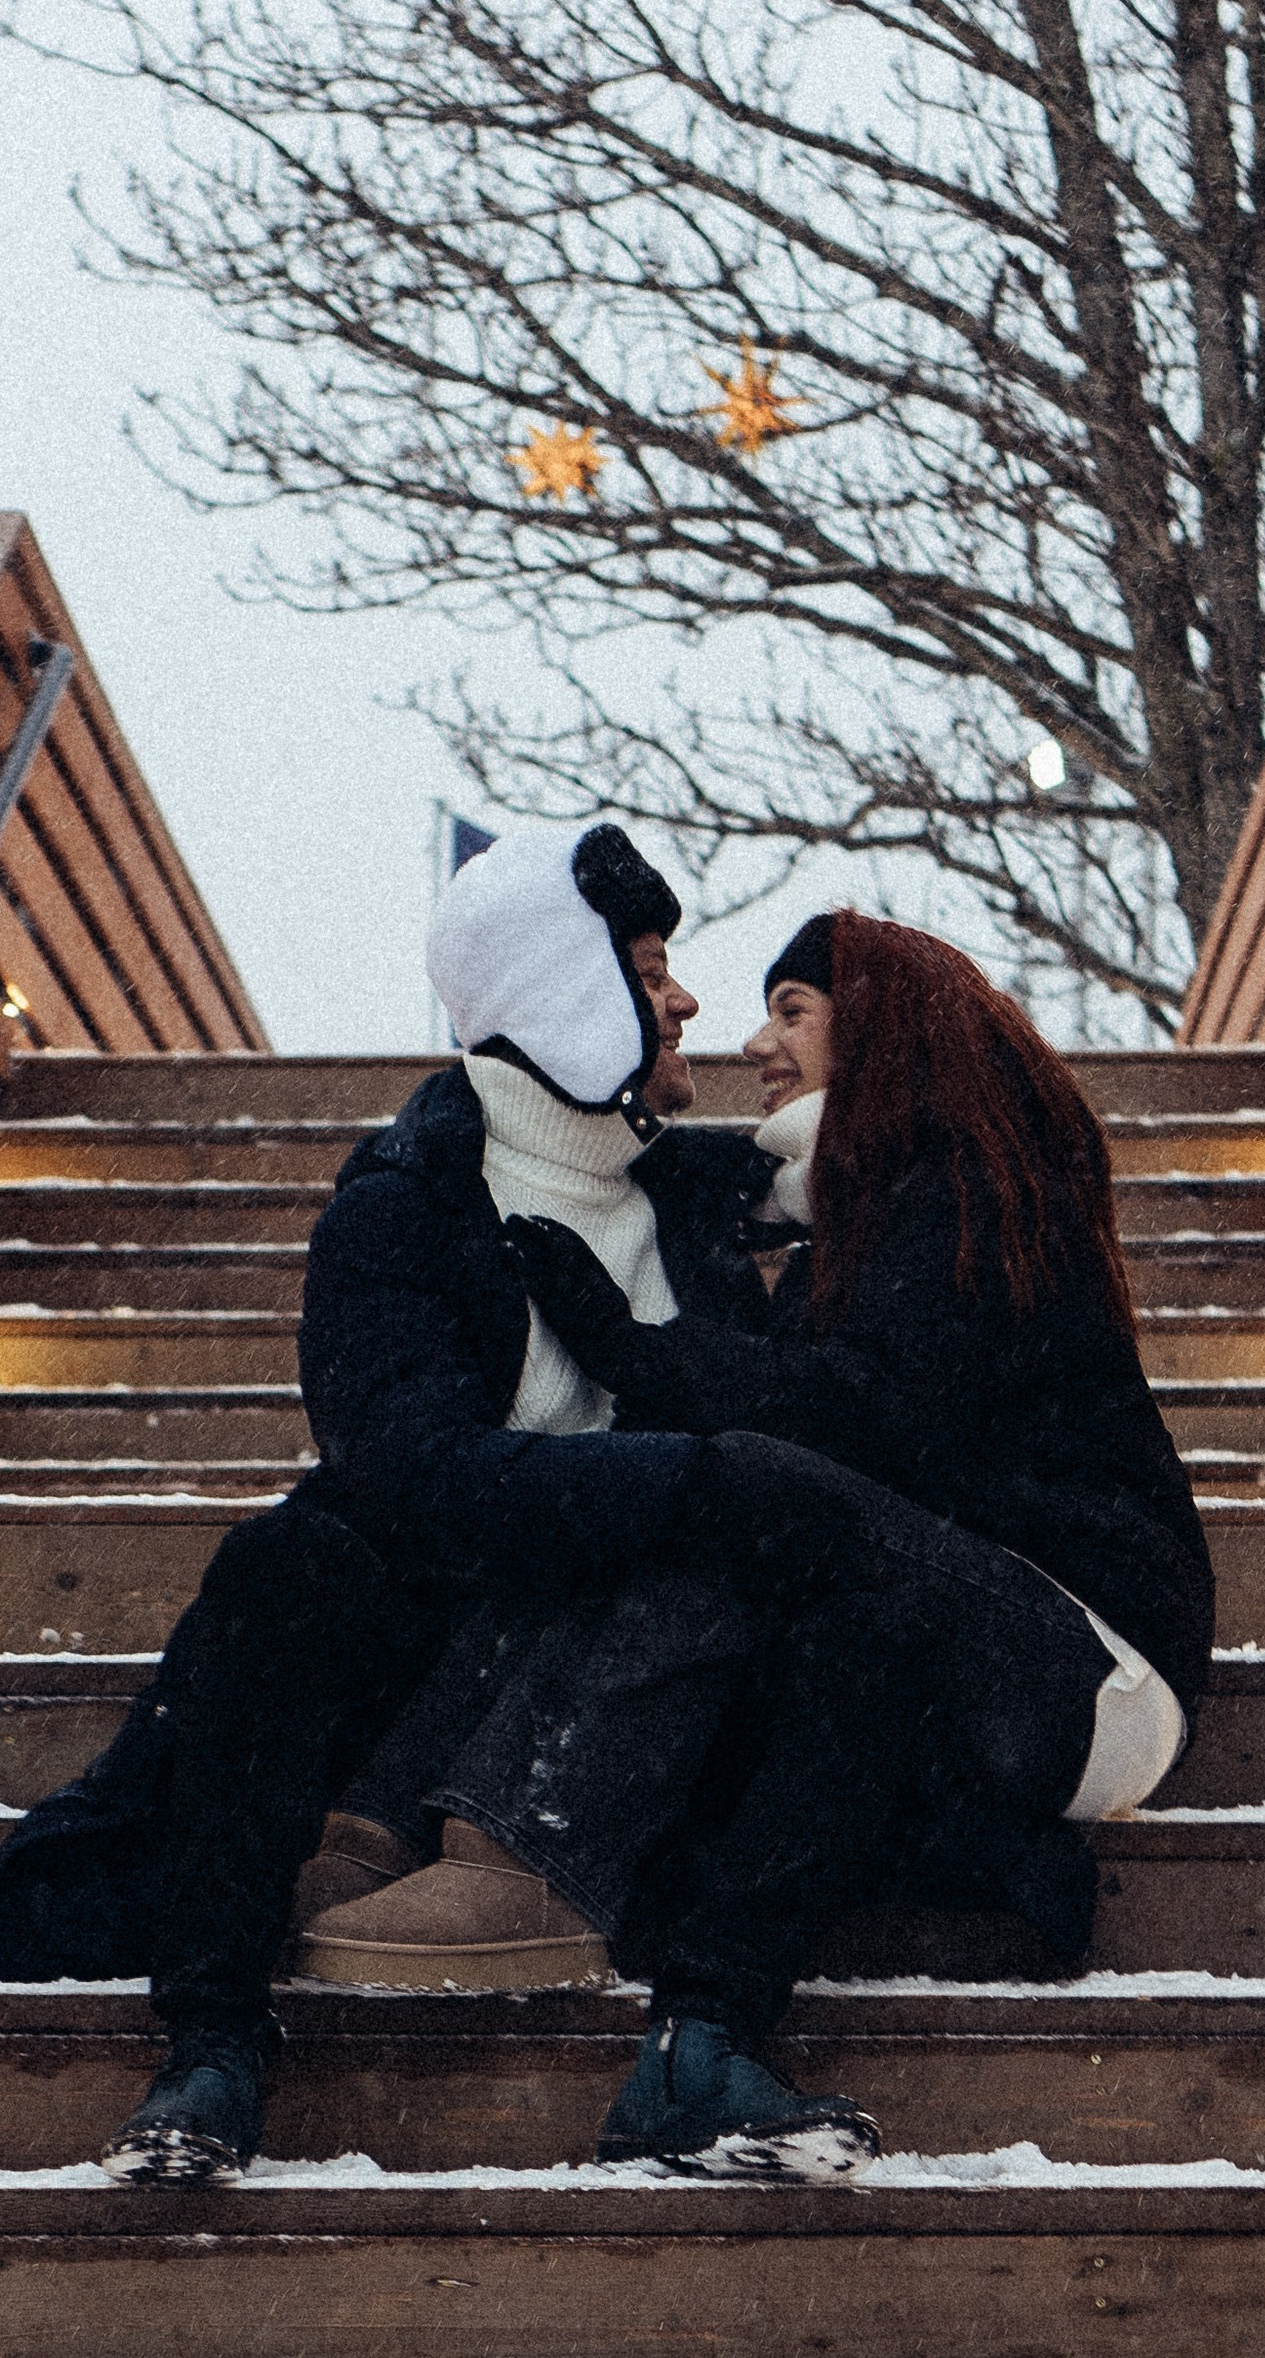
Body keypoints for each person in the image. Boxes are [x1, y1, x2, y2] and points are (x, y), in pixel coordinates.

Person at [290, 911, 1216, 2175]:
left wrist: (624, 1346)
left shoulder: (972, 1186)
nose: (753, 1041)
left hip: (1084, 1652)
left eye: (791, 1009)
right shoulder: (853, 1210)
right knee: (699, 1540)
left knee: (716, 1486)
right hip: (949, 1649)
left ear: (882, 1023)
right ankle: (671, 2031)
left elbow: (862, 1422)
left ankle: (519, 1845)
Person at [0, 822, 773, 2182]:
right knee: (288, 1563)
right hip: (405, 1661)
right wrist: (698, 1481)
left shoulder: (703, 1206)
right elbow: (419, 1475)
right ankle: (214, 2044)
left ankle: (700, 2026)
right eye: (648, 972)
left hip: (618, 1684)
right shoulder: (402, 1209)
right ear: (566, 996)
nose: (689, 1000)